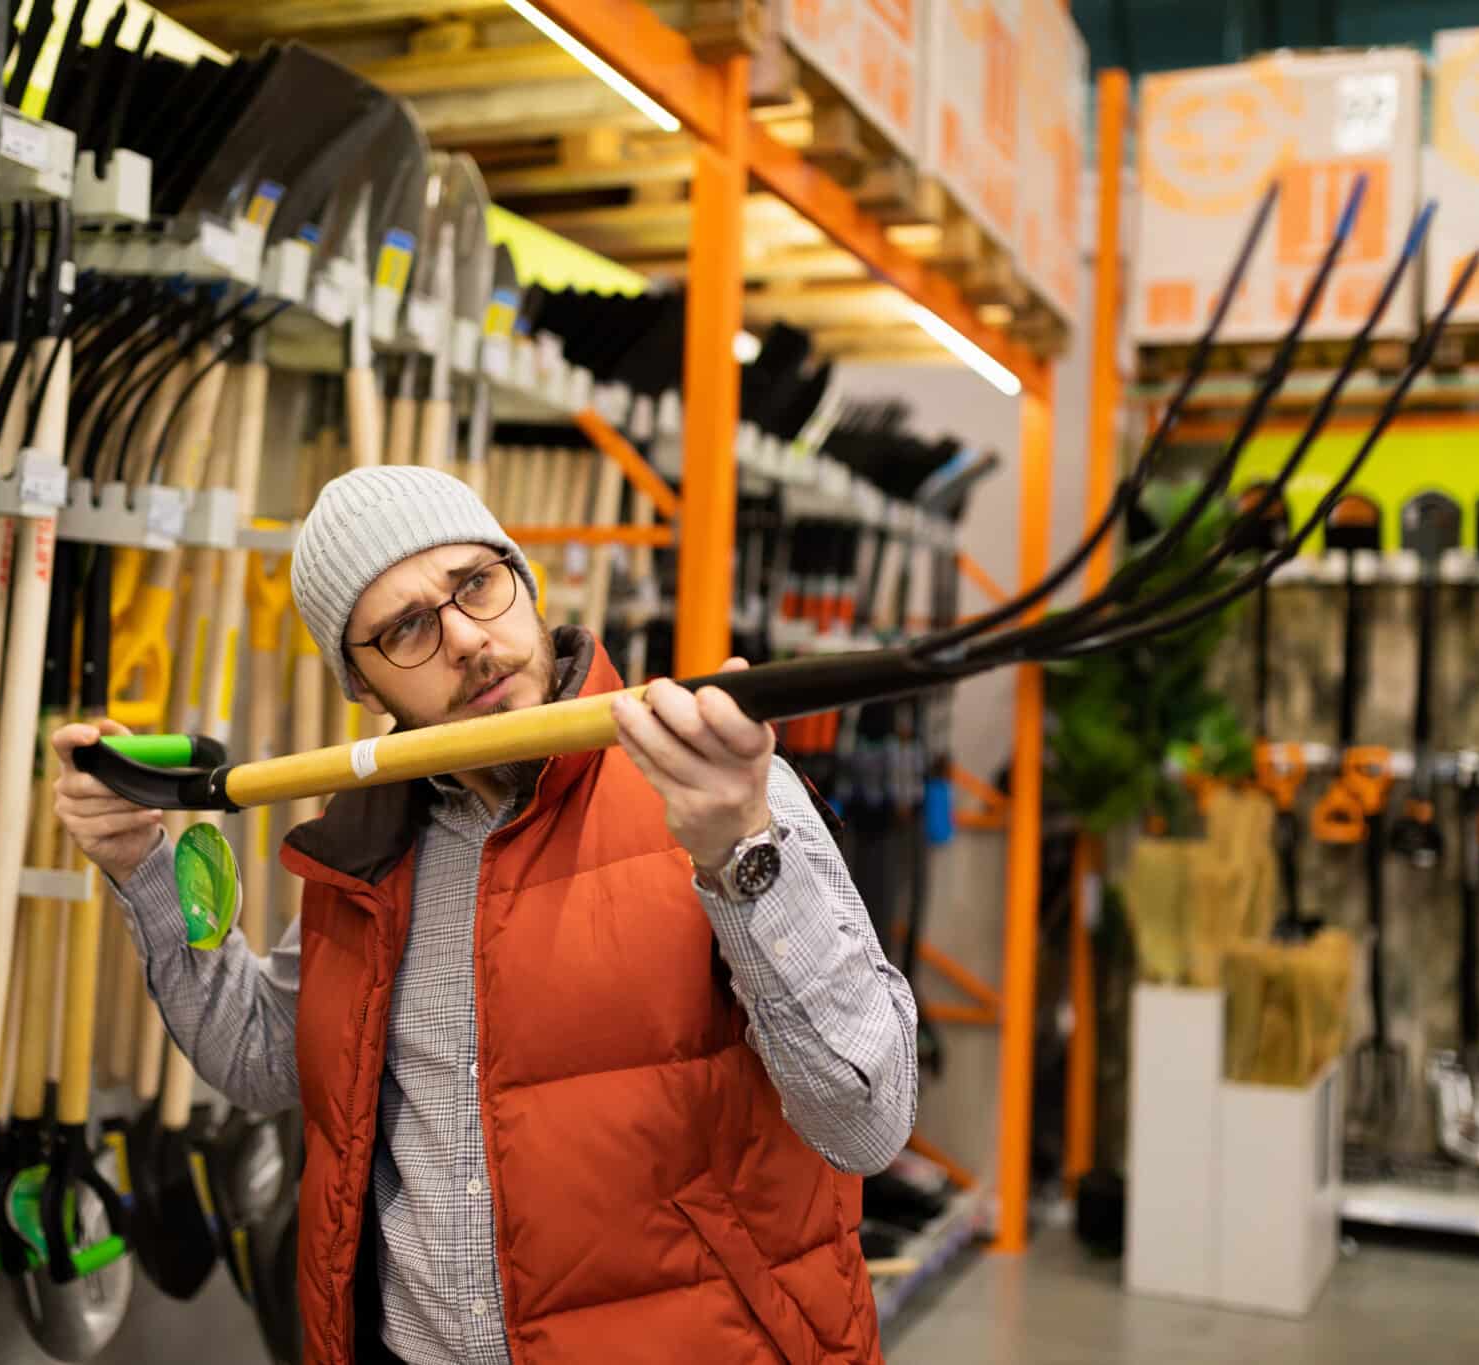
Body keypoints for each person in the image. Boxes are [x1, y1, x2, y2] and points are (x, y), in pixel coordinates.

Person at [53, 465, 917, 1365]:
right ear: (361, 680)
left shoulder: (712, 792)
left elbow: (867, 1119)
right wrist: (140, 866)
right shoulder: (366, 845)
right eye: (408, 628)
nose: (467, 638)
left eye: (475, 584)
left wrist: (738, 846)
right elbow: (264, 1058)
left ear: (524, 581)